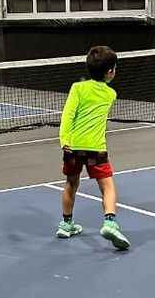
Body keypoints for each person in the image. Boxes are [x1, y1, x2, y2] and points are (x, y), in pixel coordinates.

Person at [56, 45, 130, 250]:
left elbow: (68, 115)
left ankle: (66, 224)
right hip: (96, 148)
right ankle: (109, 222)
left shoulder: (76, 88)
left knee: (71, 183)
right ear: (110, 72)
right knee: (107, 186)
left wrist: (65, 140)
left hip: (72, 146)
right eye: (114, 68)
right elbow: (98, 92)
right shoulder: (111, 94)